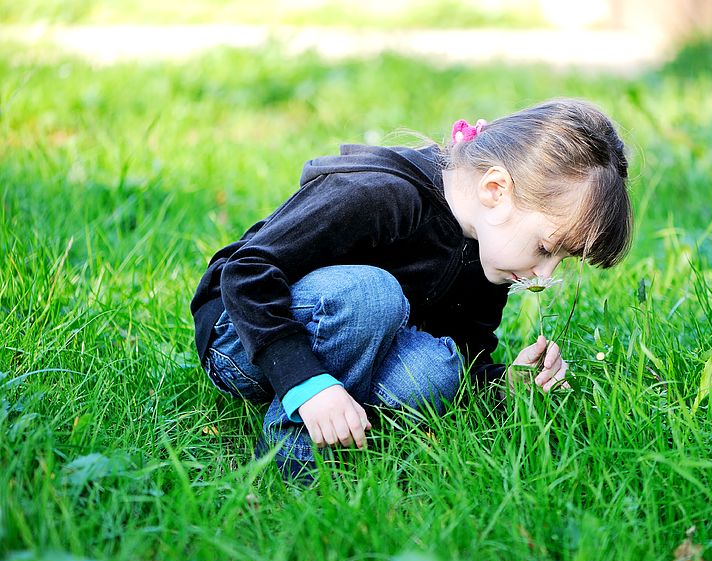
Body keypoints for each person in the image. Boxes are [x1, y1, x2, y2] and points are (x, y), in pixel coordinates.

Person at [190, 98, 633, 484]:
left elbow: (466, 348)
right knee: (370, 293)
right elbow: (248, 270)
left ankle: (336, 401)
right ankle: (294, 462)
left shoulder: (489, 257)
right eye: (544, 248)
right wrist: (306, 381)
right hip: (243, 337)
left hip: (339, 345)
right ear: (496, 190)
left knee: (440, 371)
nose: (543, 274)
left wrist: (507, 385)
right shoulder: (379, 195)